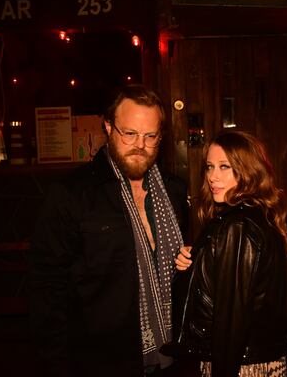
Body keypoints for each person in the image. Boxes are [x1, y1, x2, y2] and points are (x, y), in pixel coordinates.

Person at [29, 83, 188, 377]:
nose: (140, 144)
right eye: (129, 133)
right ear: (108, 127)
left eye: (150, 136)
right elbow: (47, 291)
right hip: (99, 361)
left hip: (172, 359)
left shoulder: (175, 191)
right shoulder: (72, 194)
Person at [162, 131, 287, 377]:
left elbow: (231, 322)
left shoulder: (238, 225)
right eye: (210, 167)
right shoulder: (260, 215)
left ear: (248, 171)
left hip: (240, 367)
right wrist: (197, 265)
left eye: (225, 167)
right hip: (258, 361)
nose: (213, 176)